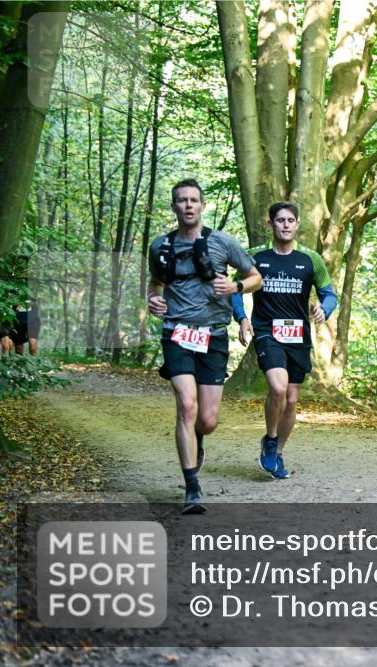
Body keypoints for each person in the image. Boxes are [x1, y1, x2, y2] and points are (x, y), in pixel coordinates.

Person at [147, 179, 262, 513]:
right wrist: (153, 299)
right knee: (186, 404)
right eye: (181, 200)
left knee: (207, 419)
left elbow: (256, 277)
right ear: (174, 206)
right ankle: (192, 487)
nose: (187, 205)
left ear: (202, 206)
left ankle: (198, 438)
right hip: (177, 333)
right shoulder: (160, 246)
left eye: (193, 200)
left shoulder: (223, 242)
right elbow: (156, 282)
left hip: (212, 335)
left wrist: (236, 285)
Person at [232, 201, 336, 480]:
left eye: (291, 220)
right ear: (270, 224)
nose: (286, 224)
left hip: (298, 335)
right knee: (277, 389)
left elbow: (330, 294)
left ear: (298, 224)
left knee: (291, 400)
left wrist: (324, 308)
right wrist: (242, 318)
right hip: (267, 332)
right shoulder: (255, 256)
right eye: (280, 220)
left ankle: (276, 452)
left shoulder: (310, 259)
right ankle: (270, 438)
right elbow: (233, 289)